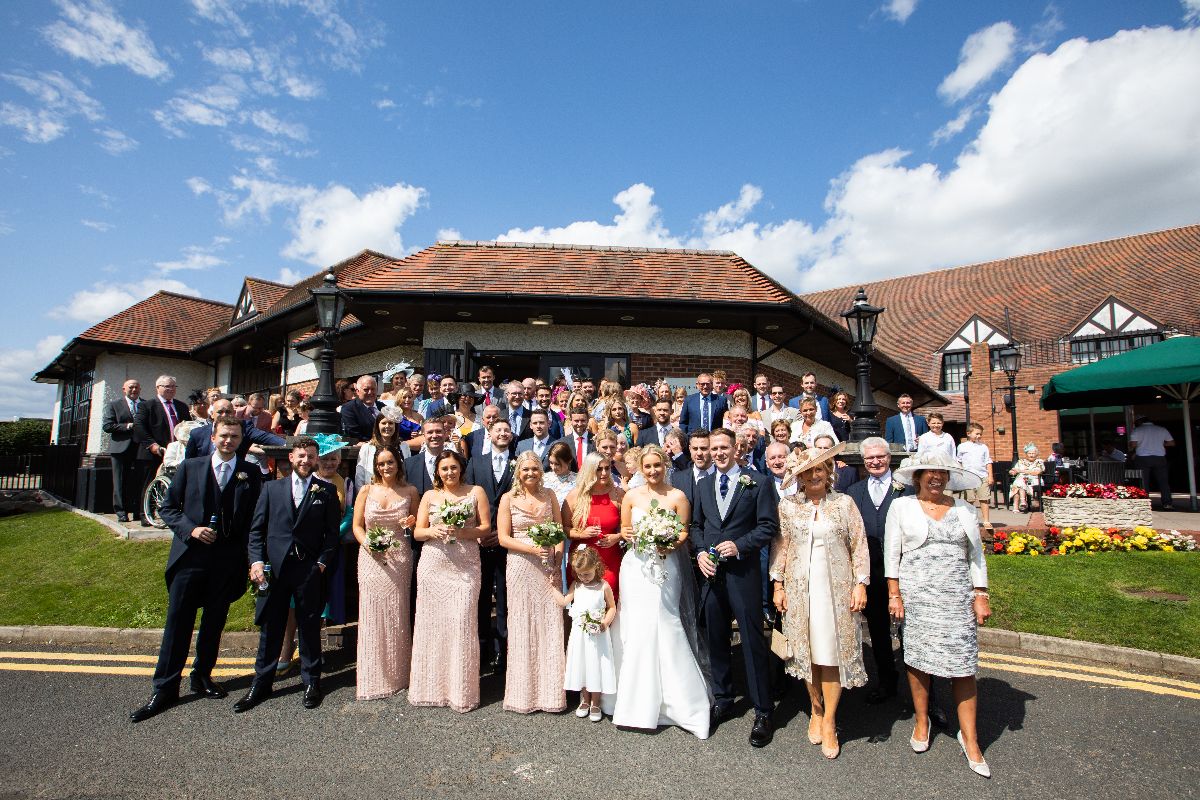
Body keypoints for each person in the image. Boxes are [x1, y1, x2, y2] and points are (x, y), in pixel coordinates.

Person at [130, 417, 263, 722]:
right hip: (190, 558)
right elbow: (167, 508)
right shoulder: (191, 467)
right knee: (178, 623)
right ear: (213, 437)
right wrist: (191, 530)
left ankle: (202, 675)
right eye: (224, 436)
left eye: (235, 436)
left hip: (227, 561)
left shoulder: (250, 472)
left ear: (241, 439)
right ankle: (164, 687)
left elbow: (255, 518)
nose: (229, 441)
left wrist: (249, 558)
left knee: (214, 622)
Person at [886, 452, 992, 778]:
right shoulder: (901, 507)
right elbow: (892, 554)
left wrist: (981, 595)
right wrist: (895, 594)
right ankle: (921, 721)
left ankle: (970, 738)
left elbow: (976, 557)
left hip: (957, 597)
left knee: (963, 667)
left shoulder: (965, 510)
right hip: (917, 598)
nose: (936, 477)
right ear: (917, 476)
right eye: (930, 472)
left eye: (942, 473)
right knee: (917, 662)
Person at [770, 443, 869, 759]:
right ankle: (815, 706)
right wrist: (778, 586)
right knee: (807, 653)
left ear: (829, 473)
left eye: (819, 469)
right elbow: (780, 549)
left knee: (832, 654)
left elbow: (859, 546)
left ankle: (829, 720)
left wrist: (860, 584)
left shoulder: (844, 504)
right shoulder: (788, 507)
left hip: (836, 591)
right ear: (799, 477)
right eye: (808, 471)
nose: (814, 475)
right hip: (800, 591)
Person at [235, 437, 341, 713]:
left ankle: (311, 681)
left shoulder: (326, 491)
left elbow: (331, 536)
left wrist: (321, 563)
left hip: (308, 570)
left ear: (317, 459)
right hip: (275, 570)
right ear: (291, 458)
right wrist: (256, 561)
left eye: (311, 456)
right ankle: (261, 683)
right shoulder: (271, 489)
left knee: (309, 627)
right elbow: (256, 530)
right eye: (302, 456)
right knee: (271, 628)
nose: (307, 460)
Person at [611, 445, 711, 738]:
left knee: (666, 622)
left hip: (666, 567)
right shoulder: (631, 496)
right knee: (637, 625)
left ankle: (680, 701)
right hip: (636, 569)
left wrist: (671, 543)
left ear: (665, 465)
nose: (653, 471)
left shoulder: (678, 497)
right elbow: (625, 529)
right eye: (648, 466)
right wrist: (629, 535)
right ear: (640, 468)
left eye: (657, 465)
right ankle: (633, 700)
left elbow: (683, 532)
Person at [691, 427, 778, 747]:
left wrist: (739, 545)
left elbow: (768, 526)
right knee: (716, 638)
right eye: (713, 449)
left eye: (723, 448)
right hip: (712, 575)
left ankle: (763, 710)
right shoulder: (702, 485)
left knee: (753, 641)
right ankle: (723, 699)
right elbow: (696, 526)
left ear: (736, 448)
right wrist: (700, 552)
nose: (718, 453)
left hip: (743, 575)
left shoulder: (759, 482)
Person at [409, 450, 491, 712]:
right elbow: (418, 532)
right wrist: (433, 530)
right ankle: (431, 687)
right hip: (433, 564)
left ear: (461, 469)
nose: (449, 473)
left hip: (465, 565)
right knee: (432, 625)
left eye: (453, 468)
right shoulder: (430, 496)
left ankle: (461, 690)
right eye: (444, 469)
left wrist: (462, 531)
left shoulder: (475, 491)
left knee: (462, 623)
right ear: (438, 472)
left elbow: (485, 528)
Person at [497, 451, 567, 714]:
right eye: (525, 470)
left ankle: (551, 693)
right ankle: (522, 693)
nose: (530, 474)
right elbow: (504, 538)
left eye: (534, 469)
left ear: (541, 471)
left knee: (550, 621)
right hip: (521, 565)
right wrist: (532, 550)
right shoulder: (508, 499)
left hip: (548, 564)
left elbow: (559, 530)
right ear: (518, 473)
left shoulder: (549, 495)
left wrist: (557, 553)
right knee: (523, 622)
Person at [349, 445, 418, 700]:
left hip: (400, 556)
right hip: (371, 558)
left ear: (398, 464)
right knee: (371, 612)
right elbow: (357, 526)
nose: (386, 468)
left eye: (390, 462)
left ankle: (399, 673)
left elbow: (416, 523)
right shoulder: (366, 491)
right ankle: (372, 674)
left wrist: (409, 523)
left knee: (397, 612)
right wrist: (369, 544)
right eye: (381, 464)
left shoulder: (410, 491)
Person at [845, 437, 905, 705]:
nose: (875, 461)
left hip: (903, 573)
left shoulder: (906, 489)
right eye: (869, 458)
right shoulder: (855, 492)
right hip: (870, 574)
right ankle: (887, 681)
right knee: (879, 631)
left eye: (880, 456)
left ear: (889, 457)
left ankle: (927, 693)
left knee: (909, 633)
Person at [464, 418, 517, 671]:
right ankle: (481, 650)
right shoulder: (476, 463)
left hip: (507, 541)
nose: (503, 433)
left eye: (507, 430)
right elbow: (468, 501)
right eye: (498, 430)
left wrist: (503, 532)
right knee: (481, 596)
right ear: (490, 433)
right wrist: (476, 532)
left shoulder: (520, 463)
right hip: (480, 541)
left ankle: (505, 652)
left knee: (506, 597)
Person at [558, 544, 617, 721]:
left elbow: (612, 607)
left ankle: (596, 702)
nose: (584, 578)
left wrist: (605, 622)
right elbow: (564, 601)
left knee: (596, 665)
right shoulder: (576, 586)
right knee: (583, 664)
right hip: (579, 635)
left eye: (587, 574)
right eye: (580, 574)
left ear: (596, 568)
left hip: (598, 635)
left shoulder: (603, 586)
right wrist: (550, 588)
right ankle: (584, 699)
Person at [564, 453, 624, 599]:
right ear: (590, 470)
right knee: (583, 604)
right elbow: (564, 528)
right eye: (598, 469)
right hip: (582, 561)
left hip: (610, 558)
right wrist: (580, 534)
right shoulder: (575, 495)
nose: (604, 473)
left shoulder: (618, 494)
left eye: (607, 468)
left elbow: (628, 527)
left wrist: (617, 537)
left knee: (609, 602)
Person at [134, 375, 192, 508]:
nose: (171, 389)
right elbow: (139, 427)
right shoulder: (146, 406)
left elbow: (188, 427)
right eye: (167, 386)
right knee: (149, 483)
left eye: (173, 386)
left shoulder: (181, 406)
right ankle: (145, 512)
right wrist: (152, 445)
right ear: (157, 388)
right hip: (153, 452)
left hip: (176, 453)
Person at [102, 378, 143, 524]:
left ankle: (139, 512)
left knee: (140, 481)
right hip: (121, 449)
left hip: (140, 449)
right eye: (131, 387)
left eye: (137, 387)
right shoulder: (114, 405)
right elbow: (107, 426)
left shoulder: (145, 405)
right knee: (120, 481)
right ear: (124, 389)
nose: (134, 390)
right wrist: (128, 426)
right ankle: (121, 512)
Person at [355, 409, 412, 491]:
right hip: (373, 493)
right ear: (377, 426)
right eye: (384, 423)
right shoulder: (367, 448)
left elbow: (408, 473)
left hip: (399, 493)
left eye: (391, 423)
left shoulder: (404, 447)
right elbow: (359, 476)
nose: (387, 426)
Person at [1130, 416, 1175, 510]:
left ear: (1140, 422)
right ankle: (1167, 503)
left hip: (1142, 457)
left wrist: (1138, 446)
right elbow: (1171, 443)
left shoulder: (1137, 430)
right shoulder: (1162, 429)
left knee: (1144, 481)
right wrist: (1161, 444)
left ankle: (1144, 503)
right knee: (1163, 481)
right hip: (1159, 457)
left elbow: (1133, 444)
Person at [957, 423, 995, 531]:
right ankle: (970, 520)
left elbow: (988, 462)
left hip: (982, 476)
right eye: (977, 434)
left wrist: (990, 476)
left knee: (984, 499)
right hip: (968, 477)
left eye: (980, 434)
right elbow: (958, 462)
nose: (979, 436)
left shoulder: (983, 447)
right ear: (968, 433)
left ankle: (986, 521)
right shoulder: (962, 446)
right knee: (969, 500)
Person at [671, 428, 714, 508]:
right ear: (690, 449)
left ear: (712, 449)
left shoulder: (722, 477)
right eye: (695, 448)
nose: (699, 453)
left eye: (703, 448)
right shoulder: (677, 479)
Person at [341, 375, 386, 445]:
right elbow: (354, 434)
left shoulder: (383, 407)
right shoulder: (349, 408)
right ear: (357, 391)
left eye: (373, 389)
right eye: (366, 389)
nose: (370, 392)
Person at [1008, 443, 1044, 513]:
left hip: (1035, 480)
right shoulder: (1021, 462)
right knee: (1019, 482)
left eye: (1033, 453)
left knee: (1019, 483)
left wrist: (1021, 471)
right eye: (1029, 453)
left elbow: (1037, 472)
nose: (1031, 455)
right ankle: (1022, 502)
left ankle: (1017, 505)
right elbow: (1014, 470)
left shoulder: (1039, 462)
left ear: (1036, 454)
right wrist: (1012, 472)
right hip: (1022, 480)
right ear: (1026, 454)